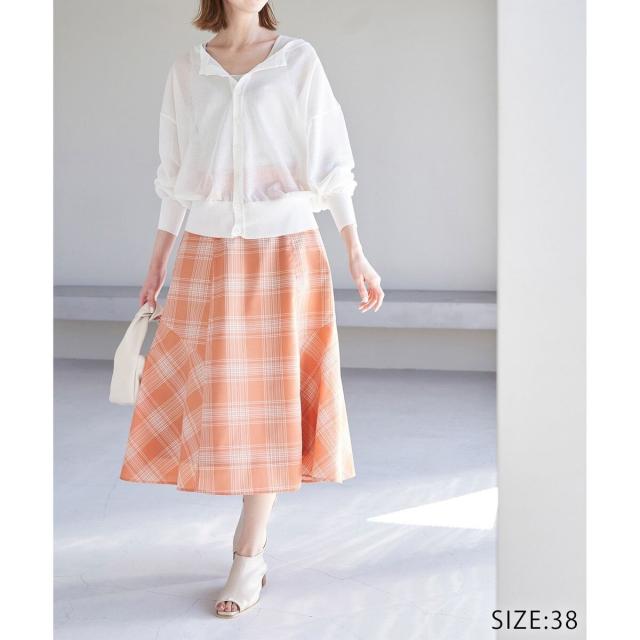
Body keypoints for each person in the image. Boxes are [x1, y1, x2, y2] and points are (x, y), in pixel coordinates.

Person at [118, 0, 384, 618]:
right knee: (220, 401)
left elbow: (330, 161)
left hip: (286, 249)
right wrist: (158, 261)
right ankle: (250, 548)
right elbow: (175, 173)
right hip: (208, 251)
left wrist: (356, 250)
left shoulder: (297, 60)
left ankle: (248, 552)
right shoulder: (189, 68)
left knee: (272, 403)